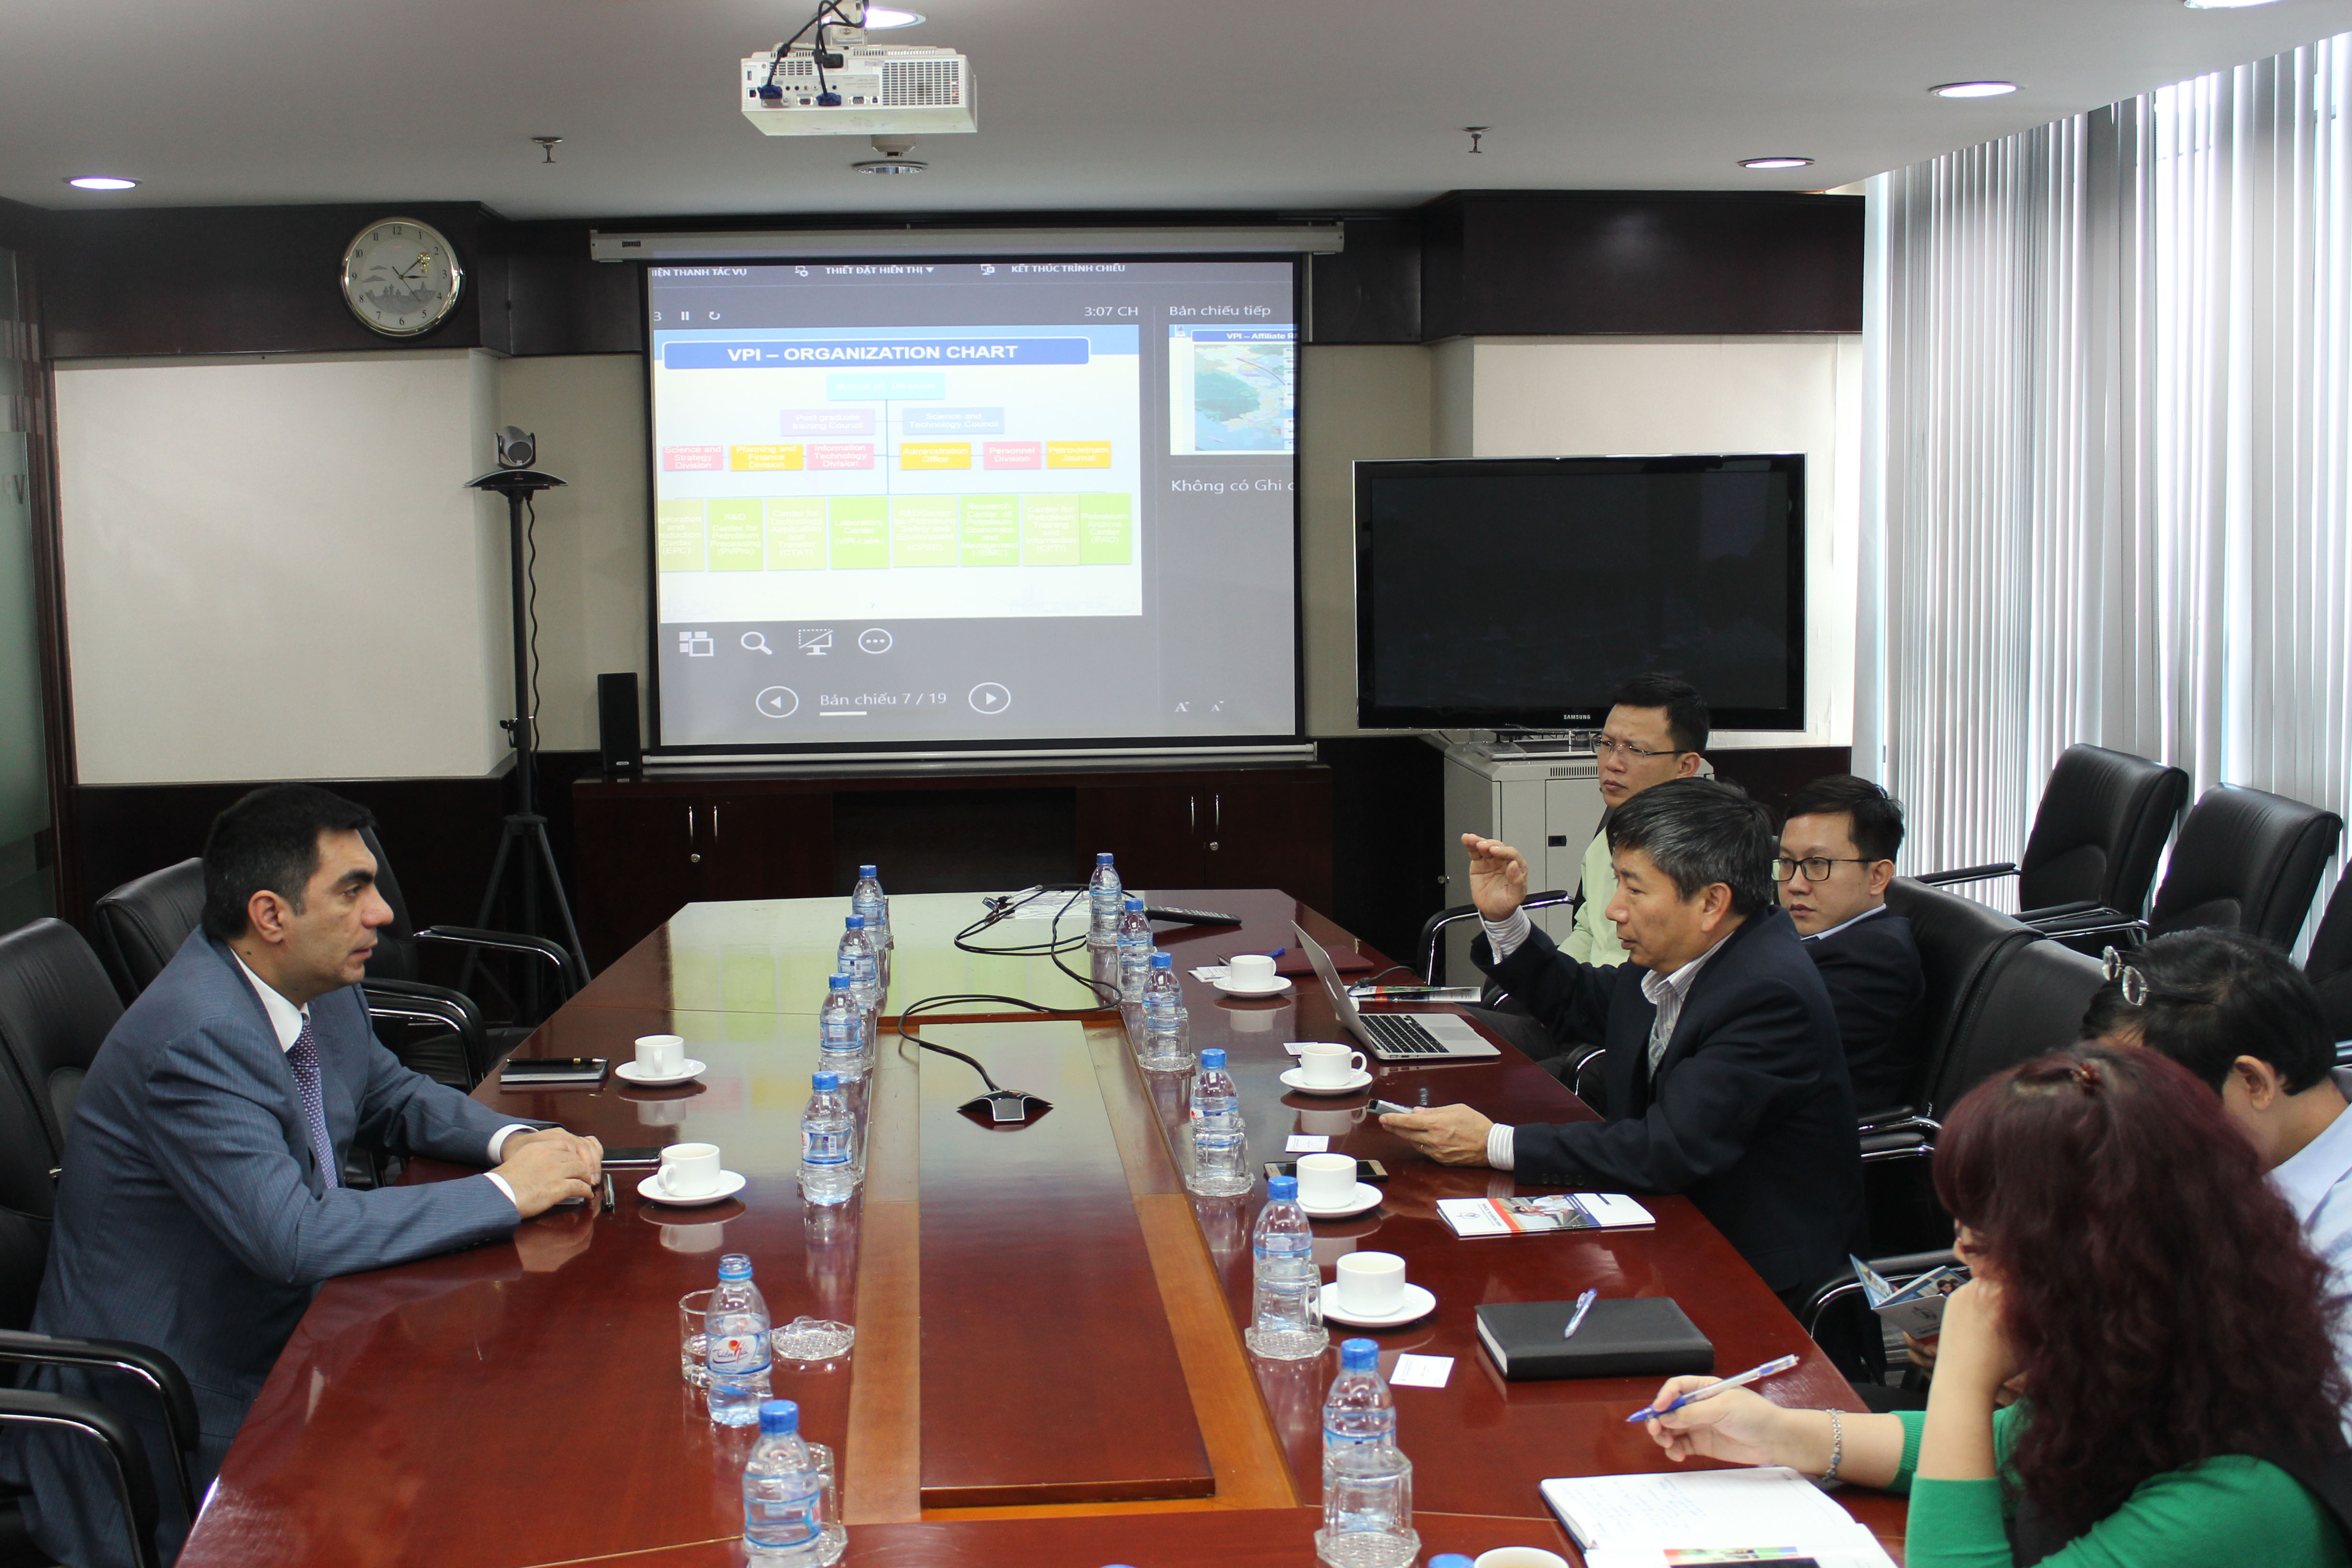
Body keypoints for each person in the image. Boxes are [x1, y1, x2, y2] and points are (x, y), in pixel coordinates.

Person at [19, 785, 604, 1568]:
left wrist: (522, 1143)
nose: (382, 913)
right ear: (271, 915)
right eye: (353, 890)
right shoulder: (198, 1038)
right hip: (177, 1401)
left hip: (297, 1336)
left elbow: (391, 1094)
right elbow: (291, 1237)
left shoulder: (310, 986)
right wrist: (507, 1193)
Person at [1639, 1043, 2352, 1568]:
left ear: (2104, 1255)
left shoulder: (2242, 1500)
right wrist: (1776, 1432)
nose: (1962, 1253)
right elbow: (2012, 1444)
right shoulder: (2168, 1366)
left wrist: (1962, 1372)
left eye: (1988, 1233)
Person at [1385, 777, 1863, 1300]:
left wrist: (1494, 1143)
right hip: (1664, 1222)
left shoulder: (1767, 994)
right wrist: (1505, 921)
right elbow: (1580, 1001)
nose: (1614, 909)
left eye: (1634, 889)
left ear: (1711, 902)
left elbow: (1668, 1149)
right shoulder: (1685, 951)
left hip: (1747, 1274)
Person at [2081, 930, 2352, 1396]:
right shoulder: (2230, 1163)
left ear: (2253, 1082)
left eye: (2145, 1107)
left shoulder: (2339, 1251)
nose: (2122, 1135)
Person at [1776, 774, 1925, 1113]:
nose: (1795, 884)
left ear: (1877, 877)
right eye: (1786, 863)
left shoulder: (1874, 960)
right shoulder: (1800, 932)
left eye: (1817, 864)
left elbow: (1764, 1050)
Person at [1556, 674, 1708, 967]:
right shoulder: (1607, 839)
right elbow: (1589, 932)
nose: (1612, 763)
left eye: (1636, 750)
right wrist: (1546, 984)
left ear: (1685, 766)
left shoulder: (1707, 856)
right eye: (1607, 744)